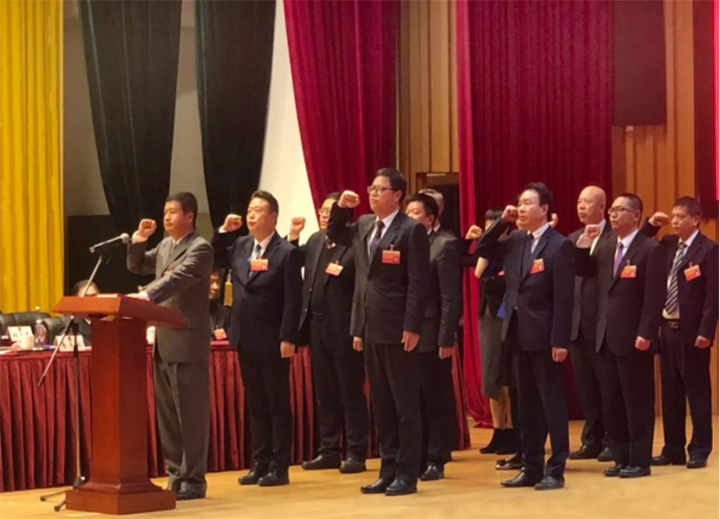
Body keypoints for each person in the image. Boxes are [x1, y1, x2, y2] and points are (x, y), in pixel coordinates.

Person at [327, 168, 430, 496]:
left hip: (398, 328)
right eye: (370, 188)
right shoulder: (364, 224)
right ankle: (387, 469)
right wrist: (342, 208)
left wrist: (412, 325)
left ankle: (407, 474)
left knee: (404, 405)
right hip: (370, 325)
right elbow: (335, 232)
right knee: (382, 403)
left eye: (379, 189)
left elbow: (418, 282)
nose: (372, 193)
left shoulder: (411, 230)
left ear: (397, 195)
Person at [474, 182, 574, 491]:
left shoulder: (559, 245)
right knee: (525, 403)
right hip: (516, 332)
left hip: (545, 335)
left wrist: (560, 340)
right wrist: (500, 223)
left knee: (550, 402)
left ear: (544, 209)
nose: (521, 208)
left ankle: (555, 468)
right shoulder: (516, 239)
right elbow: (482, 249)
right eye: (519, 203)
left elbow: (564, 298)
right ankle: (531, 466)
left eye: (528, 203)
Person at [126, 191, 213, 500]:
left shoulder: (200, 248)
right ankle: (176, 476)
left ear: (189, 216)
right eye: (165, 211)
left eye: (173, 212)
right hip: (164, 342)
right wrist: (139, 239)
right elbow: (137, 266)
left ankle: (194, 480)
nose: (166, 217)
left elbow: (178, 278)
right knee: (168, 417)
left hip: (188, 342)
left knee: (191, 416)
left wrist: (146, 295)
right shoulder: (165, 245)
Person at [212, 190, 302, 487]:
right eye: (249, 209)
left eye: (258, 210)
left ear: (273, 217)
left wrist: (288, 336)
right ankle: (260, 462)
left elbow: (293, 299)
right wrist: (224, 231)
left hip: (273, 338)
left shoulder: (286, 252)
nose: (251, 215)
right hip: (244, 336)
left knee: (276, 403)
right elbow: (214, 257)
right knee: (255, 403)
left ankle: (279, 466)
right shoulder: (240, 245)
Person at [575, 193, 666, 478]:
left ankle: (639, 460)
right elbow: (585, 272)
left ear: (636, 215)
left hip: (635, 338)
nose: (613, 215)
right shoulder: (605, 246)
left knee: (636, 401)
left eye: (619, 210)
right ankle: (620, 456)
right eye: (611, 210)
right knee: (612, 401)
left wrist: (646, 332)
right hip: (604, 337)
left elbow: (655, 296)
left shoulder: (650, 249)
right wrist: (583, 246)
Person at [288, 193, 369, 474]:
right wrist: (293, 237)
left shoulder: (354, 243)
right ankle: (328, 450)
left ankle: (356, 451)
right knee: (325, 391)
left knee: (350, 390)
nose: (324, 215)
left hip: (345, 328)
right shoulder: (315, 240)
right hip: (316, 326)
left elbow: (360, 288)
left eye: (330, 211)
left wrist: (359, 327)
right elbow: (293, 262)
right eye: (322, 210)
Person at [643, 197, 719, 469]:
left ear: (695, 219)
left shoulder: (709, 250)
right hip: (667, 329)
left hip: (692, 332)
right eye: (673, 216)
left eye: (681, 217)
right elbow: (640, 243)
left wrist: (706, 331)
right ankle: (673, 449)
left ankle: (699, 449)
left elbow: (713, 296)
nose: (675, 221)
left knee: (696, 393)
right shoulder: (667, 244)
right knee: (670, 393)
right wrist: (652, 225)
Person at [405, 193, 461, 482]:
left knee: (434, 398)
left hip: (431, 332)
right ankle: (416, 456)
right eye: (407, 211)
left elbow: (450, 297)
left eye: (416, 212)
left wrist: (446, 338)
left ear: (430, 218)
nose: (410, 216)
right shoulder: (402, 244)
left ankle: (436, 458)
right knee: (412, 398)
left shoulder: (444, 244)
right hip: (407, 332)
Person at [567, 186, 613, 462]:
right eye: (579, 201)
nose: (581, 207)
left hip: (602, 326)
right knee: (586, 388)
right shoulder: (573, 239)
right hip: (577, 326)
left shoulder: (613, 237)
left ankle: (611, 440)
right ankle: (591, 439)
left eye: (587, 202)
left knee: (608, 387)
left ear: (602, 206)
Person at [473, 210, 516, 457]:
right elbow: (477, 270)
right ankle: (498, 430)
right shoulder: (489, 251)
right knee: (490, 375)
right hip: (487, 315)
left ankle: (511, 430)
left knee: (506, 375)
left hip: (506, 316)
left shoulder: (512, 249)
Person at [71, 280, 99, 346]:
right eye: (86, 296)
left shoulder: (105, 324)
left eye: (93, 296)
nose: (91, 301)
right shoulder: (71, 325)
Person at [208, 269, 230, 339]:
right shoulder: (188, 312)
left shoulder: (223, 312)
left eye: (218, 282)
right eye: (211, 282)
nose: (216, 287)